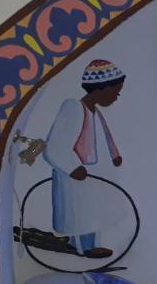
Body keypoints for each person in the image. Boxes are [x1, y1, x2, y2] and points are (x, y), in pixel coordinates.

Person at [43, 59, 125, 258]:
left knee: (92, 211)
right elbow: (55, 146)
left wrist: (114, 155)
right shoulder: (73, 108)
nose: (117, 96)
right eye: (115, 91)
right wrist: (72, 167)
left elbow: (104, 137)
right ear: (99, 88)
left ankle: (87, 244)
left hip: (90, 175)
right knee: (80, 212)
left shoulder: (95, 112)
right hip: (77, 175)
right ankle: (82, 246)